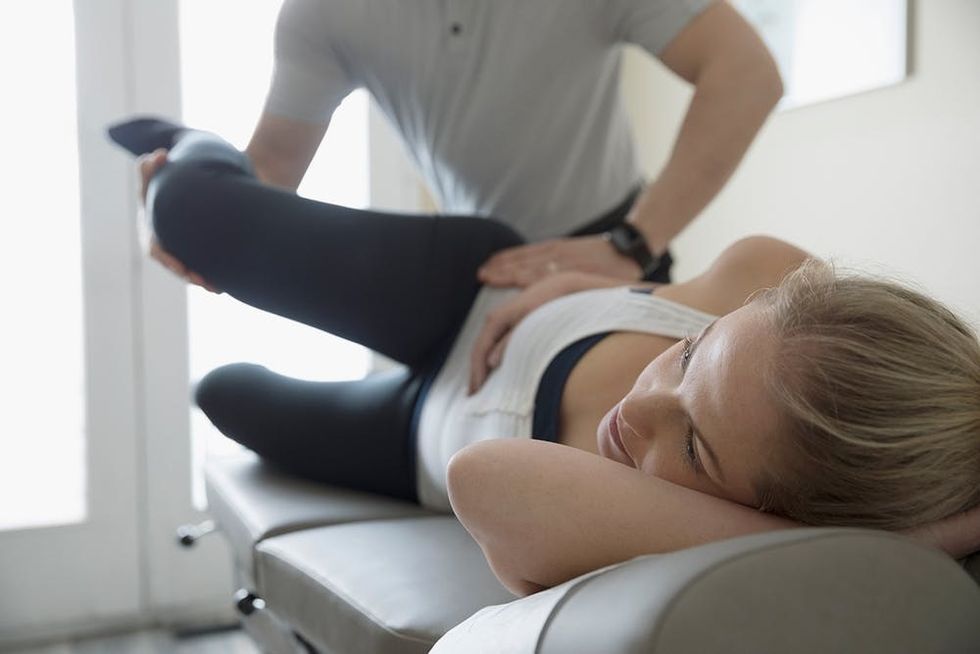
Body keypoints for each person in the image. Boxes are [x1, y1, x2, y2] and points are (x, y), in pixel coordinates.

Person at [108, 121, 980, 597]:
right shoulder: (780, 285)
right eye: (688, 354)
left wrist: (883, 550)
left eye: (693, 447)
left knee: (221, 392)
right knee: (189, 211)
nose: (639, 407)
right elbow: (711, 284)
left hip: (409, 434)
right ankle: (190, 145)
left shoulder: (616, 521)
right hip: (470, 295)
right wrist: (615, 272)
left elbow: (485, 477)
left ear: (783, 522)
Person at [146, 0, 785, 296]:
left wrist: (633, 245)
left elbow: (747, 74)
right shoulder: (322, 14)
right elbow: (272, 168)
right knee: (229, 393)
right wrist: (200, 226)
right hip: (475, 276)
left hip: (609, 259)